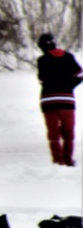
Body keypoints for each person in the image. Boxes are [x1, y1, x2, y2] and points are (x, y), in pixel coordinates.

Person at [36, 32, 82, 167]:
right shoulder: (68, 57)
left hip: (48, 100)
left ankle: (58, 160)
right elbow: (81, 74)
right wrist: (69, 85)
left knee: (53, 133)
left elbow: (41, 78)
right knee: (68, 132)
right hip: (67, 100)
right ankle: (68, 160)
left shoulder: (42, 60)